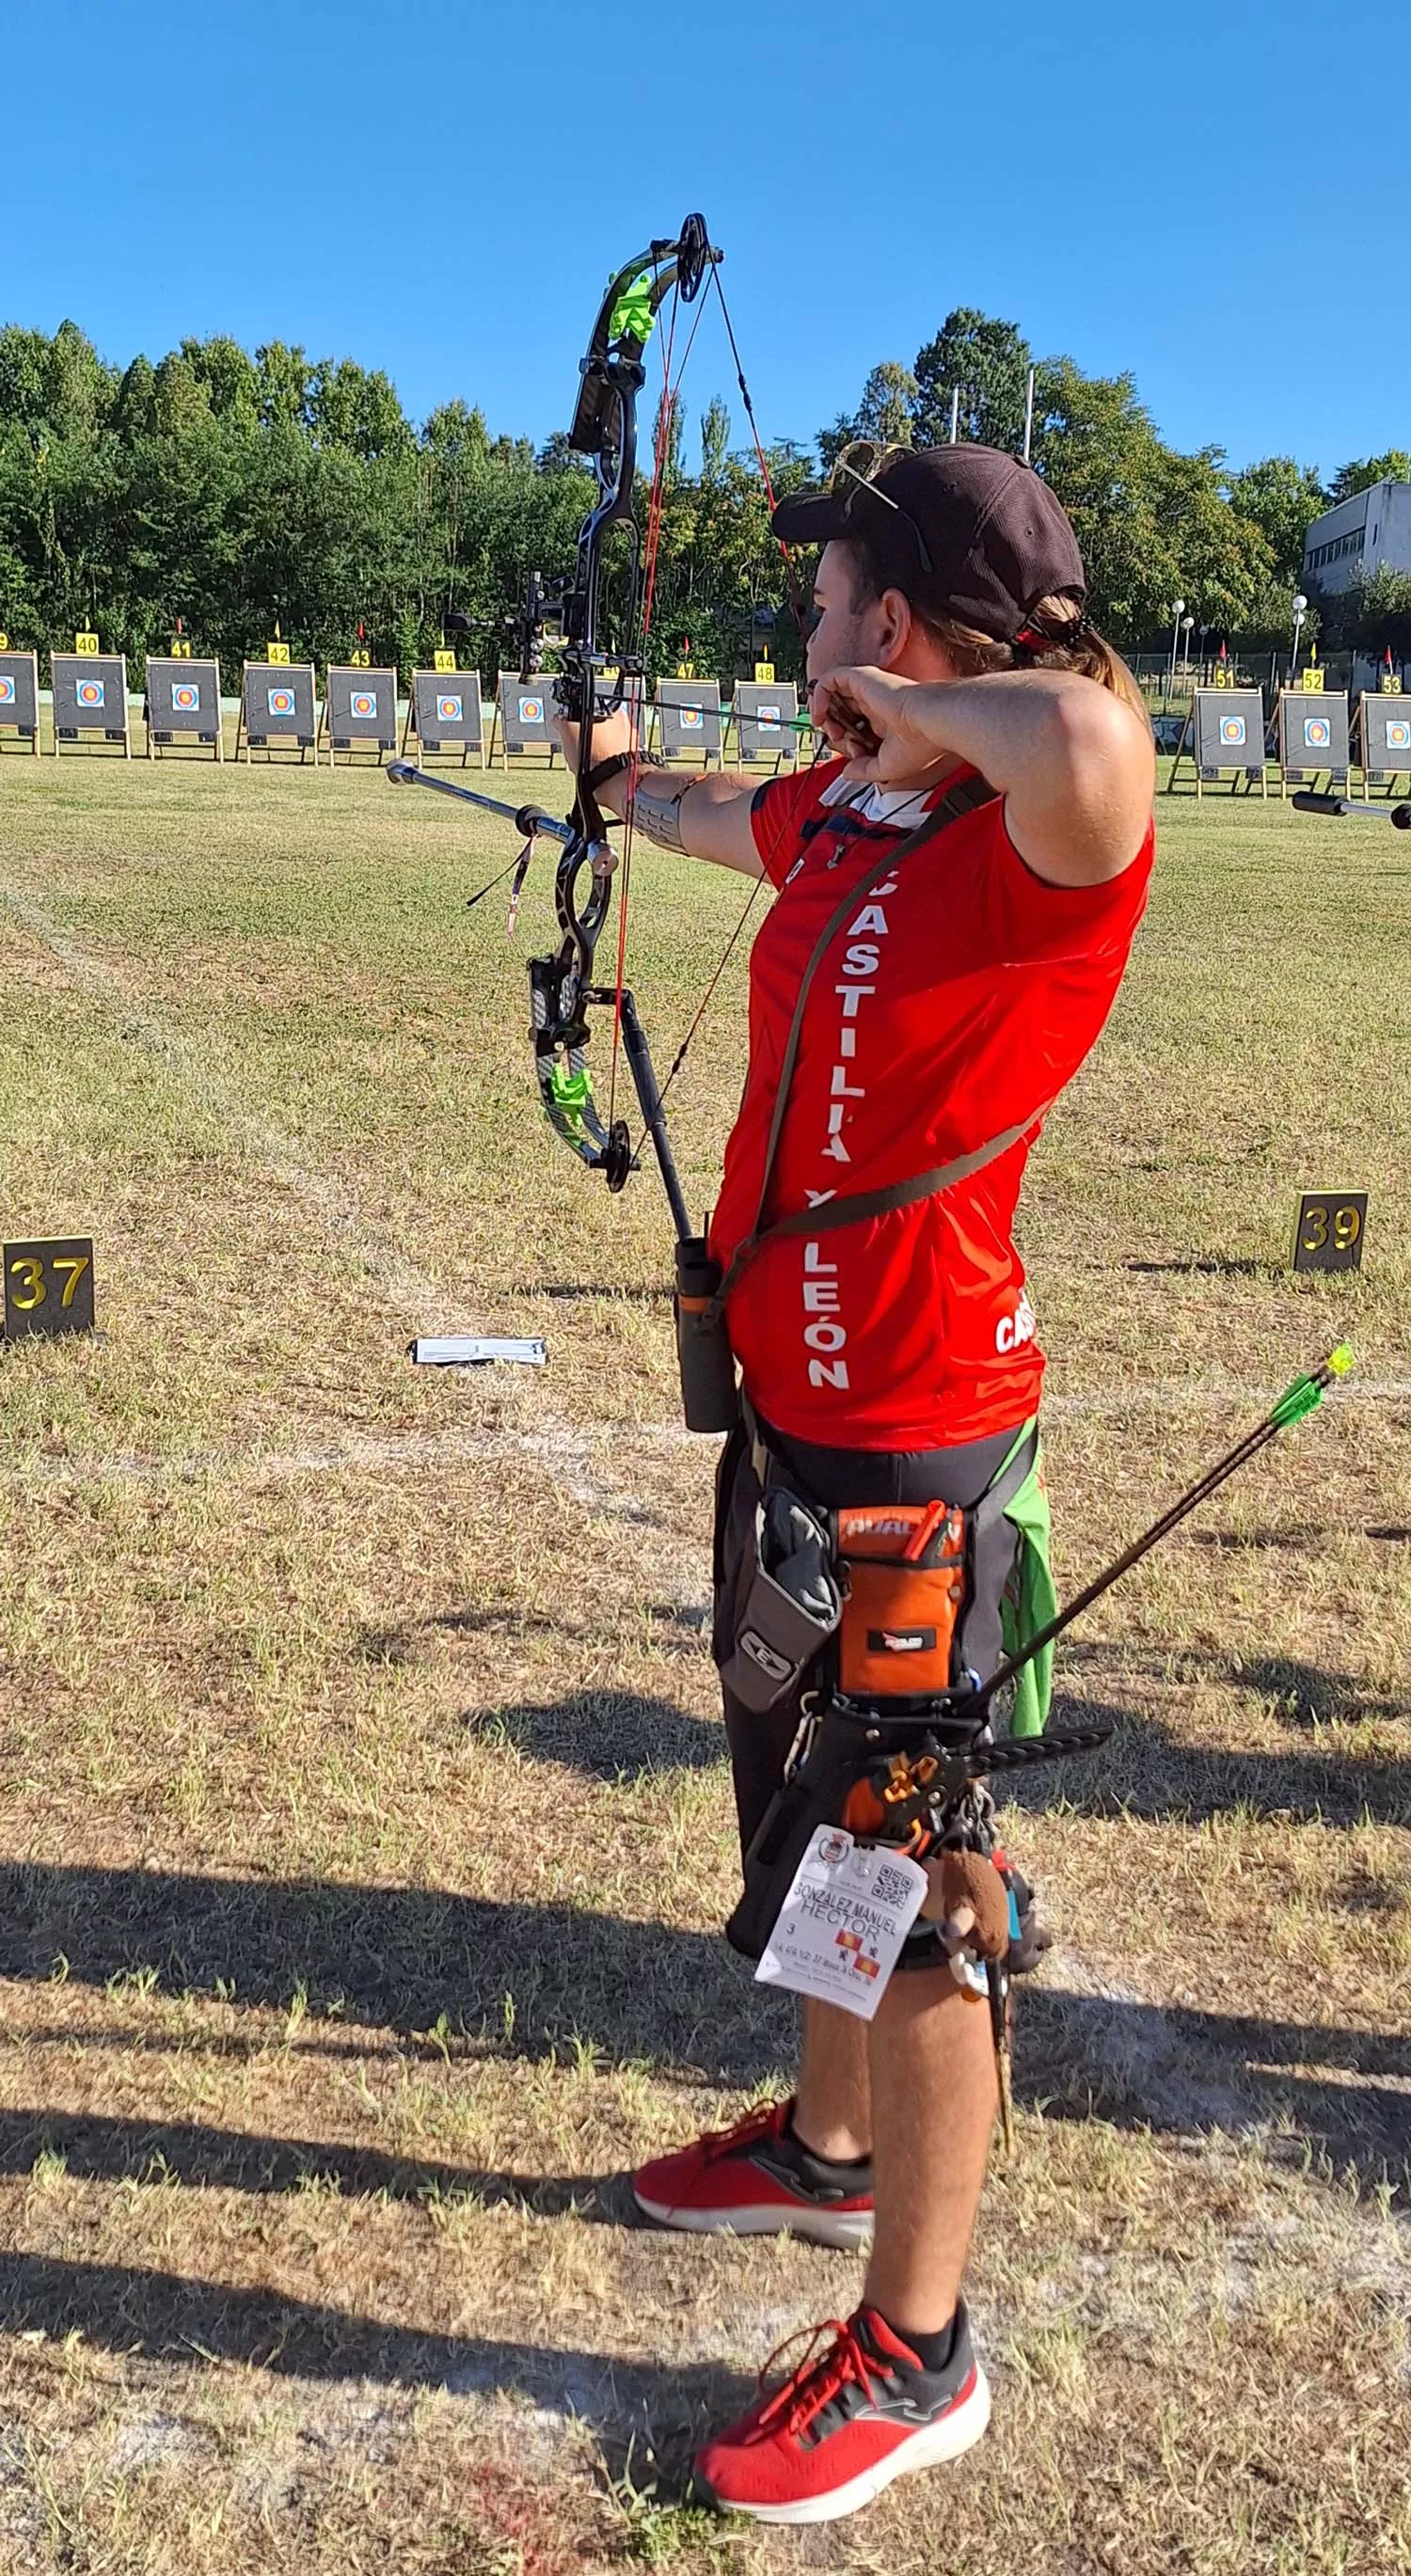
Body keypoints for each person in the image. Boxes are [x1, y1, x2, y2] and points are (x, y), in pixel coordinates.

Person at [554, 444, 1155, 2526]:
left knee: (911, 1886)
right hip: (795, 1424)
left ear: (896, 621)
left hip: (923, 1428)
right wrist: (623, 781)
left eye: (829, 589)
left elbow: (1089, 725)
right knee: (811, 1813)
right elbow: (727, 819)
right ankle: (821, 2156)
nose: (799, 615)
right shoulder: (863, 803)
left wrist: (919, 709)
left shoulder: (1036, 827)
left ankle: (920, 2349)